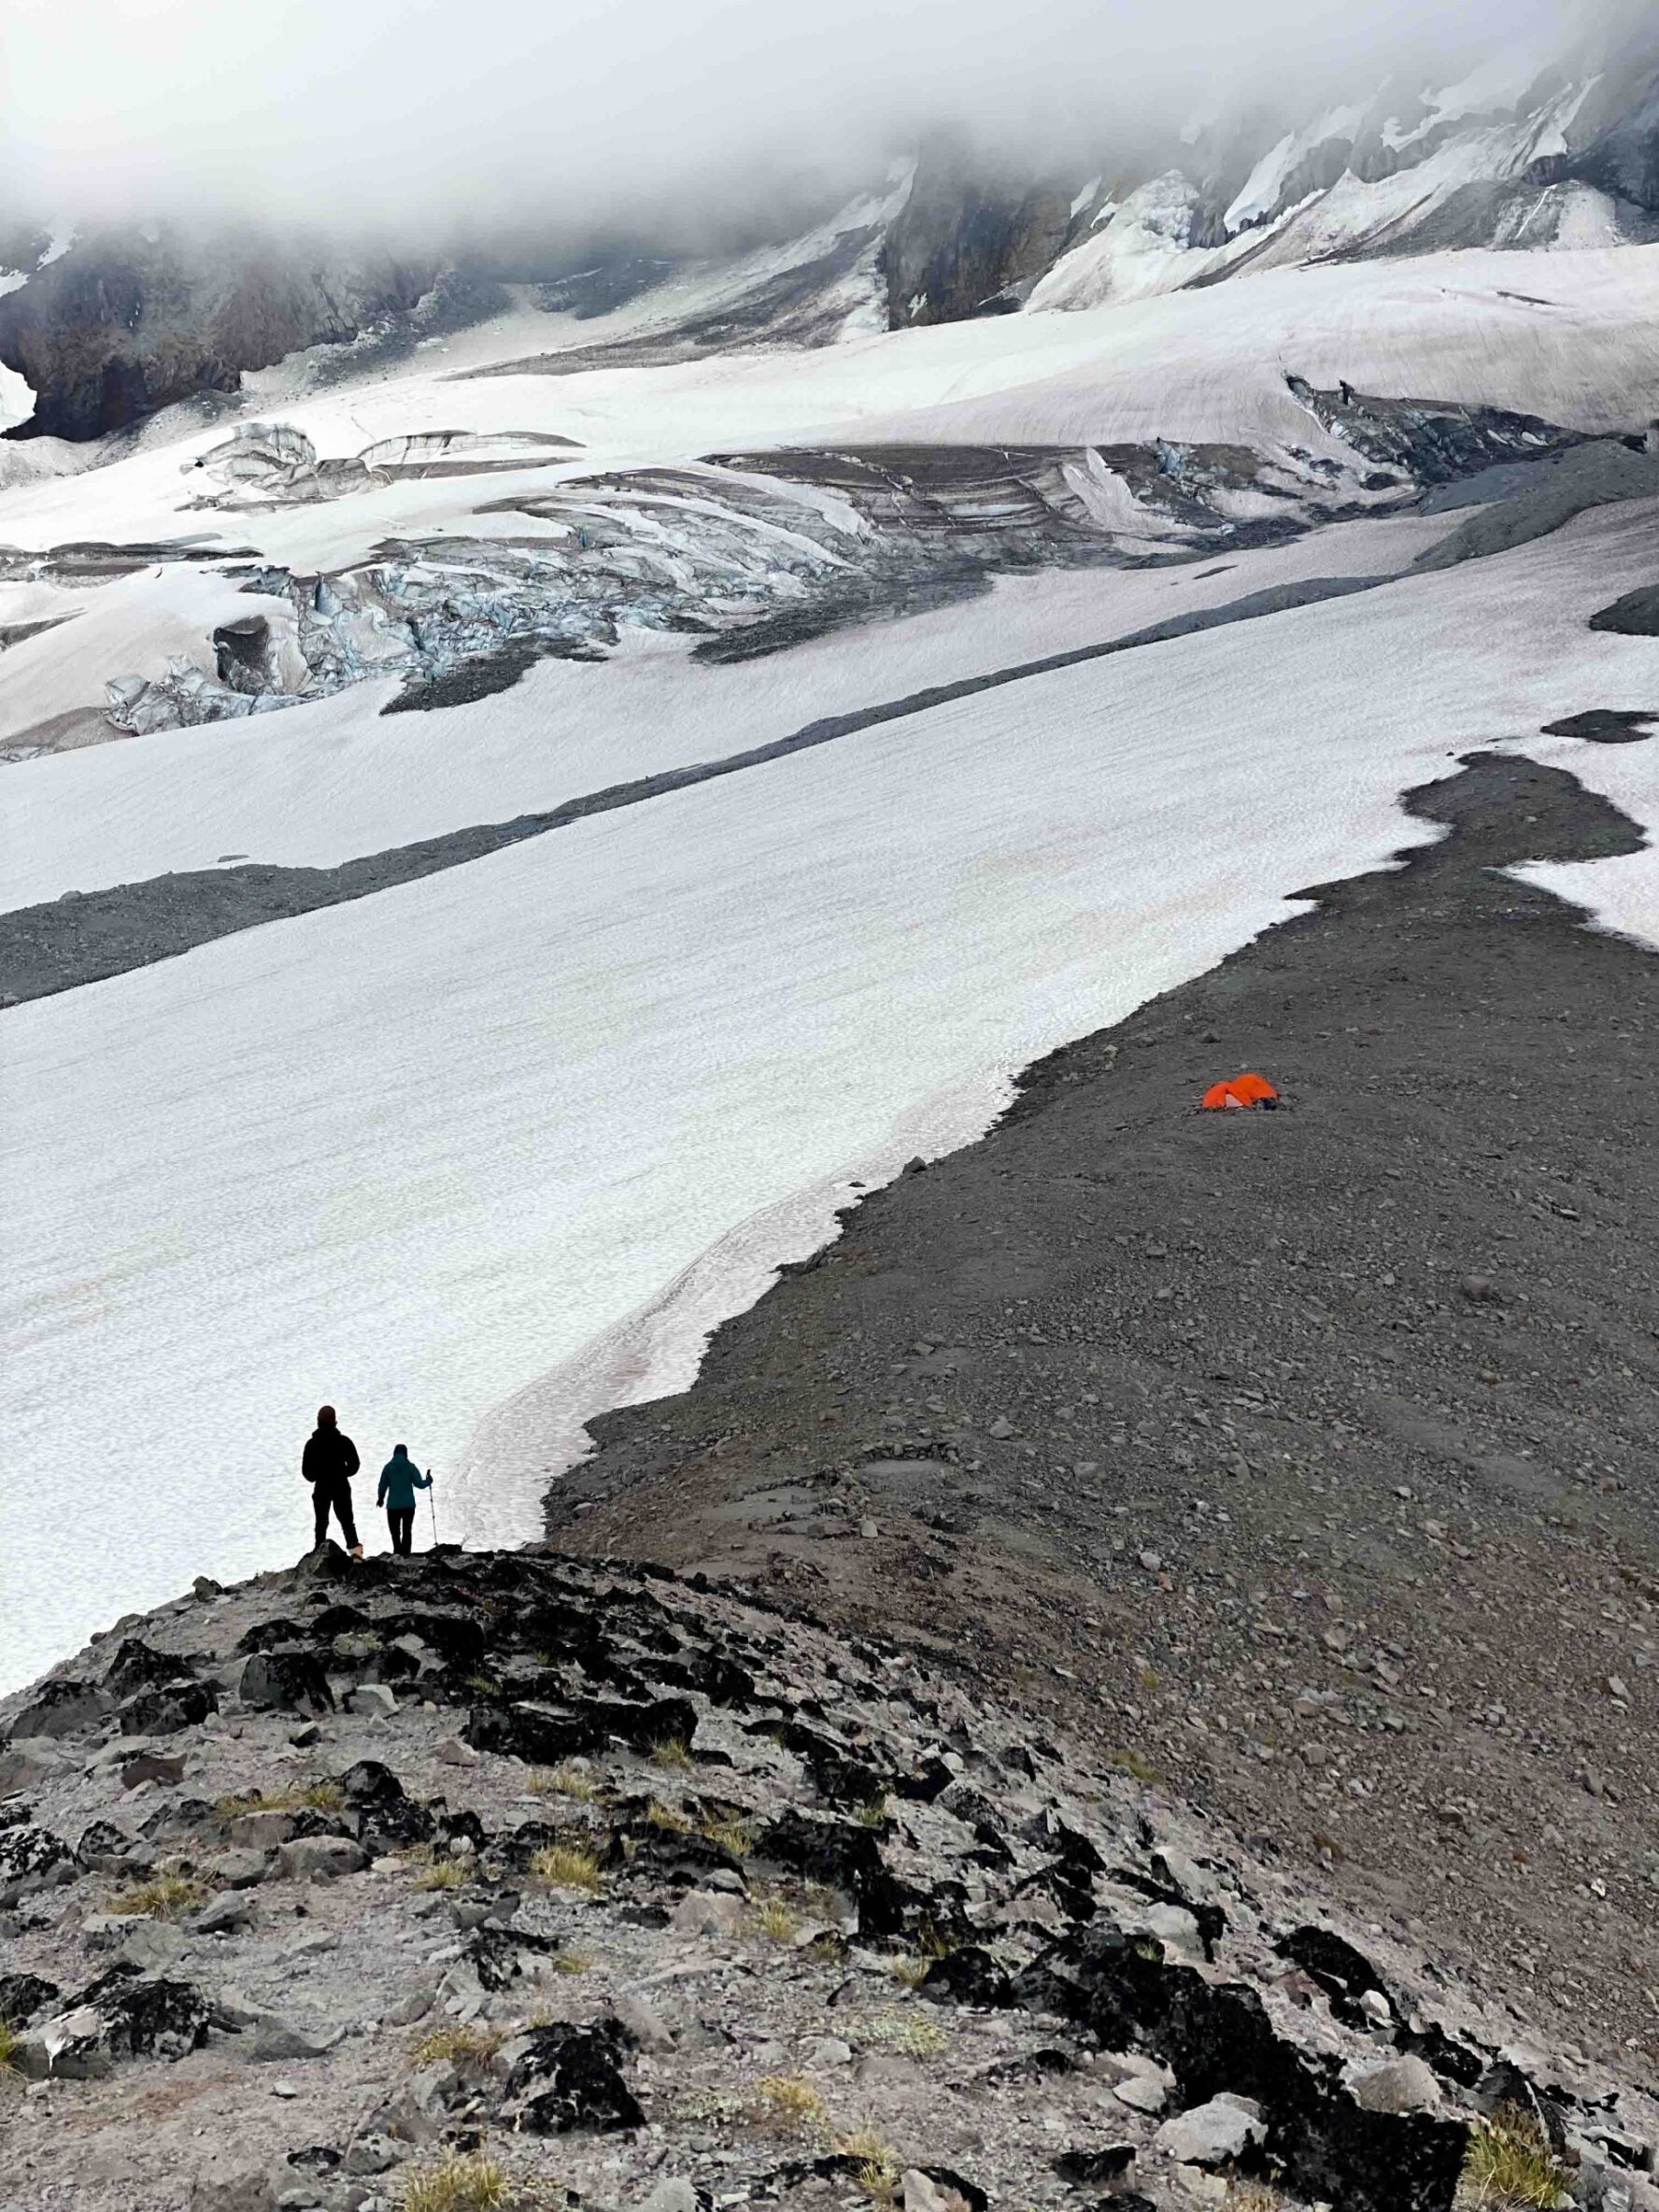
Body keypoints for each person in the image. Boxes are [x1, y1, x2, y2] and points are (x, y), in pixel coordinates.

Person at [302, 1404, 362, 1556]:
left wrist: (320, 1474)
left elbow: (307, 1473)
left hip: (321, 1487)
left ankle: (318, 1554)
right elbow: (355, 1464)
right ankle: (356, 1556)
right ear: (335, 1421)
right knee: (347, 1522)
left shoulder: (312, 1444)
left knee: (321, 1523)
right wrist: (342, 1472)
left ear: (318, 1421)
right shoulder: (344, 1441)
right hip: (341, 1485)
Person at [376, 1444, 432, 1556]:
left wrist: (380, 1498)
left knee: (395, 1533)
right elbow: (419, 1484)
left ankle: (397, 1553)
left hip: (393, 1505)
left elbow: (382, 1485)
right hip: (408, 1505)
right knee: (407, 1530)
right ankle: (406, 1554)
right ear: (405, 1454)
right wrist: (428, 1481)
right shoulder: (410, 1466)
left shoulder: (388, 1467)